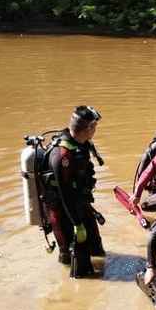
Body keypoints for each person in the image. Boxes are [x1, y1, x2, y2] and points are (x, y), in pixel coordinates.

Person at [43, 106, 105, 278]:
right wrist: (77, 224)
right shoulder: (62, 155)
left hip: (80, 204)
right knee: (78, 262)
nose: (95, 131)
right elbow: (64, 194)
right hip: (63, 211)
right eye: (95, 127)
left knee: (96, 247)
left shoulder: (82, 144)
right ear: (88, 128)